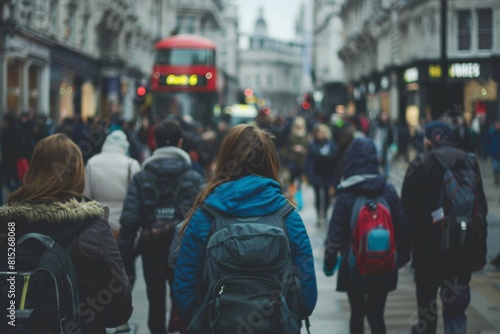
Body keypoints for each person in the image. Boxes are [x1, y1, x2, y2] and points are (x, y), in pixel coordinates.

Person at [173, 124, 317, 330]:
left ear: (225, 159)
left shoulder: (205, 216)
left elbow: (184, 288)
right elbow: (307, 293)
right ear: (270, 162)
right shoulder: (287, 216)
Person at [0, 133, 133, 333]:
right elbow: (119, 300)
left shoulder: (7, 225)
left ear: (33, 169)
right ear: (77, 173)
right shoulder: (93, 227)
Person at [118, 119, 205, 334]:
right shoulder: (194, 178)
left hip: (151, 249)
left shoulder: (141, 178)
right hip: (183, 251)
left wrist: (125, 258)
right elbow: (202, 219)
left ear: (155, 143)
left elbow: (129, 221)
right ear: (181, 142)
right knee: (184, 301)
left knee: (155, 302)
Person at [401, 121, 488, 334]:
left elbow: (406, 214)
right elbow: (481, 208)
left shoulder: (419, 165)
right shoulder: (469, 161)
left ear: (429, 140)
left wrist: (403, 254)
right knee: (456, 312)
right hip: (461, 250)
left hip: (427, 254)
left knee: (427, 313)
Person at [323, 137, 410, 334]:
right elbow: (402, 227)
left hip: (354, 267)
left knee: (357, 314)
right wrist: (403, 257)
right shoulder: (387, 190)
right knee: (376, 314)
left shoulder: (345, 194)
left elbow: (334, 235)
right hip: (385, 265)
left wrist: (329, 263)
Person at [84, 130, 141, 239]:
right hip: (124, 226)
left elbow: (86, 197)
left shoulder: (92, 163)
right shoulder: (132, 165)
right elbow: (138, 200)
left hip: (98, 225)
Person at [305, 123, 337, 225]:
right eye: (318, 132)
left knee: (327, 196)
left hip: (328, 174)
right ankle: (319, 215)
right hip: (316, 173)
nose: (320, 134)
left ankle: (326, 214)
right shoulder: (313, 144)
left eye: (322, 132)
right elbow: (309, 159)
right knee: (318, 195)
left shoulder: (331, 144)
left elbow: (334, 159)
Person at [282, 116, 309, 200]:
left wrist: (302, 149)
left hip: (302, 160)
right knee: (291, 179)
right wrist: (293, 148)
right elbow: (286, 147)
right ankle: (292, 196)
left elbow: (309, 148)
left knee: (300, 179)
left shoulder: (306, 135)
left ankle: (298, 197)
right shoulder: (290, 135)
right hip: (292, 159)